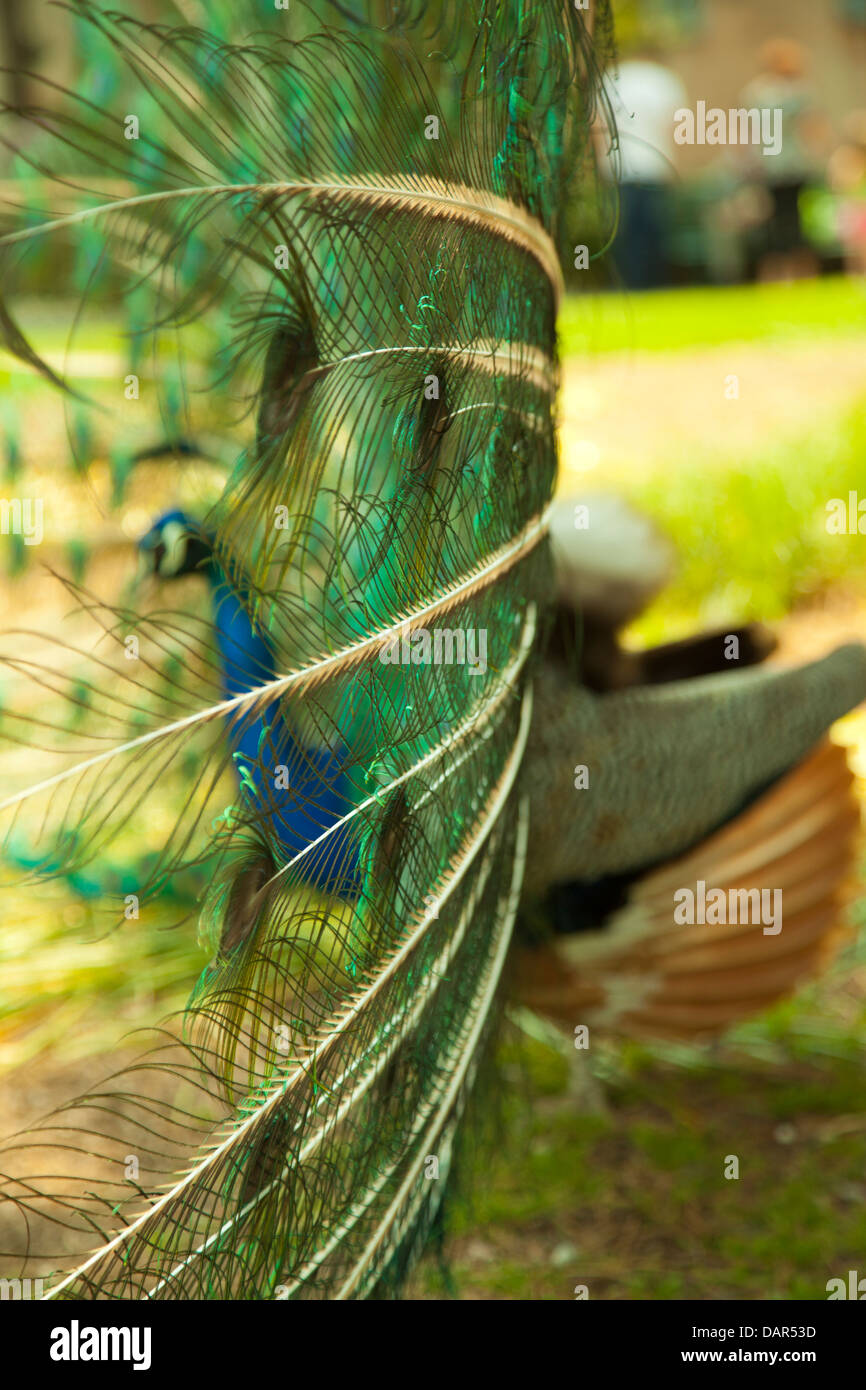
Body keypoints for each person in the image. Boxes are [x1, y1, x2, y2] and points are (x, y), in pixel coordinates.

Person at [596, 47, 688, 290]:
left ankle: (629, 284)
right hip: (655, 165)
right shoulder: (664, 81)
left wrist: (601, 163)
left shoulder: (609, 79)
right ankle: (654, 283)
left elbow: (598, 125)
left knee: (626, 232)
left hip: (619, 166)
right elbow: (674, 127)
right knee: (654, 230)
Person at [740, 38, 826, 280]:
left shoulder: (768, 91)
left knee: (786, 218)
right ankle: (788, 271)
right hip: (778, 165)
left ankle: (792, 271)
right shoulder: (787, 91)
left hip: (784, 164)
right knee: (784, 218)